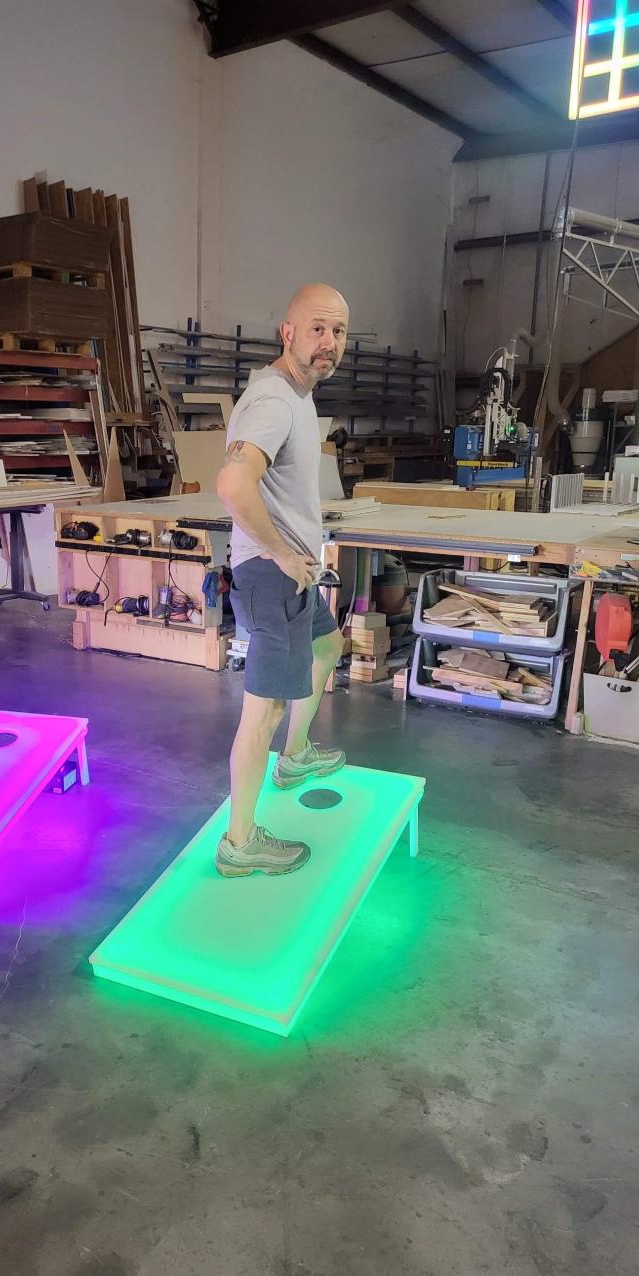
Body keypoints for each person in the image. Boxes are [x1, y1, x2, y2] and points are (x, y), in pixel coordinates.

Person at [214, 283, 349, 878]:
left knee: (329, 645)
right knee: (263, 711)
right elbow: (232, 484)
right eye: (316, 329)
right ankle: (240, 842)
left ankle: (294, 759)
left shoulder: (298, 394)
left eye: (339, 332)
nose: (329, 343)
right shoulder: (273, 400)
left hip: (291, 573)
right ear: (287, 332)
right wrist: (281, 552)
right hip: (272, 577)